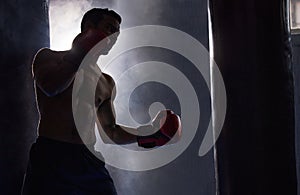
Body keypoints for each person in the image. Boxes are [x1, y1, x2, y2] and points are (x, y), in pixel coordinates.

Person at [22, 8, 181, 195]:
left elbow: (111, 132)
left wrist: (150, 134)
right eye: (109, 28)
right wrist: (79, 54)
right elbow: (51, 87)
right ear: (89, 27)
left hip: (87, 160)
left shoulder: (106, 82)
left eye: (117, 33)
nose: (113, 37)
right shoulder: (49, 57)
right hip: (52, 154)